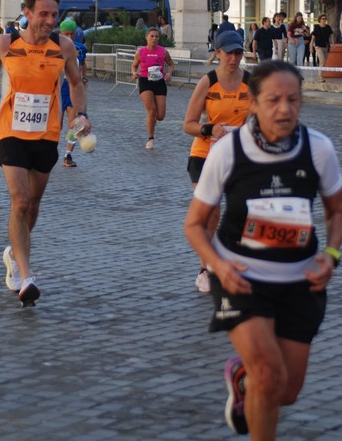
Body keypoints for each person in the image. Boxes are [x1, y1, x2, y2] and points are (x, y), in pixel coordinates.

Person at [184, 60, 342, 440]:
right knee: (270, 377)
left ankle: (243, 376)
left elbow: (337, 211)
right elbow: (194, 225)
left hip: (300, 282)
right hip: (241, 280)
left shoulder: (318, 149)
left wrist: (332, 256)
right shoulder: (227, 152)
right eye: (273, 100)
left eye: (293, 99)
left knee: (285, 391)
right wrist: (219, 267)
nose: (284, 109)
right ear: (253, 103)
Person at [0, 0, 90, 306]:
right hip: (10, 132)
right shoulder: (6, 43)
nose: (50, 20)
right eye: (44, 14)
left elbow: (76, 83)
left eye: (54, 14)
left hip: (47, 135)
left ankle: (13, 252)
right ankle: (25, 276)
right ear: (27, 12)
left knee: (33, 204)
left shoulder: (63, 47)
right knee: (20, 200)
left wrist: (82, 114)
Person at [183, 30, 251, 293]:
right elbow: (188, 124)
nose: (233, 58)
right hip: (204, 155)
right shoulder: (208, 82)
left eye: (238, 53)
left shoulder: (250, 83)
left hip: (237, 157)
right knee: (212, 212)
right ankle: (205, 269)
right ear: (218, 53)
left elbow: (260, 119)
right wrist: (210, 129)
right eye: (228, 53)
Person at [131, 27, 174, 149]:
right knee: (151, 110)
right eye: (152, 36)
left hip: (159, 82)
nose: (154, 38)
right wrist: (134, 73)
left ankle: (152, 120)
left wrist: (169, 73)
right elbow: (134, 66)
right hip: (145, 82)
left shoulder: (163, 51)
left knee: (160, 116)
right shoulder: (140, 52)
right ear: (146, 37)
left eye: (156, 36)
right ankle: (150, 139)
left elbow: (171, 64)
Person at [59, 18, 88, 168]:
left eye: (72, 34)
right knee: (55, 125)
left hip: (73, 88)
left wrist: (84, 79)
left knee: (74, 123)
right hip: (58, 88)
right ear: (60, 33)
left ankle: (67, 155)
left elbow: (83, 64)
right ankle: (48, 152)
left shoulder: (80, 48)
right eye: (66, 34)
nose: (69, 37)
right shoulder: (53, 48)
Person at [310, 13, 334, 82]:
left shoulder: (328, 27)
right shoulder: (317, 28)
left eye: (325, 19)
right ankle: (320, 76)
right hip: (318, 46)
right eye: (323, 19)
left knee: (324, 62)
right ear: (320, 20)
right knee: (322, 60)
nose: (324, 20)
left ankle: (321, 75)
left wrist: (333, 43)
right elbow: (312, 39)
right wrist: (311, 47)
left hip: (326, 46)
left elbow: (331, 34)